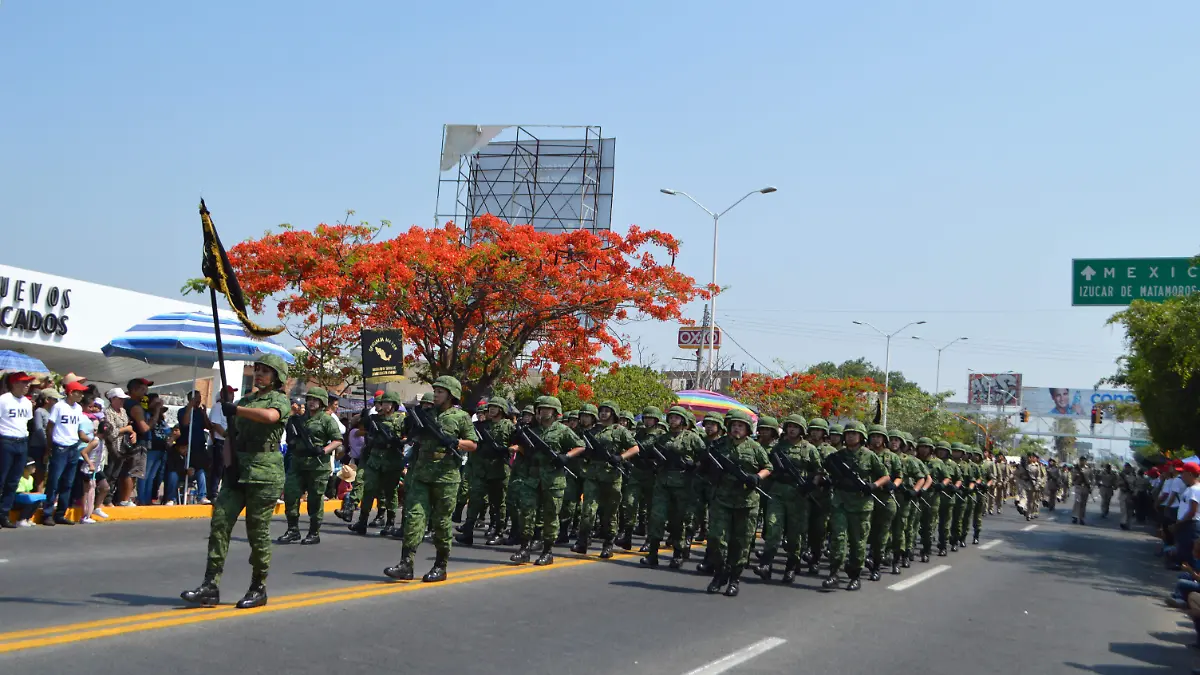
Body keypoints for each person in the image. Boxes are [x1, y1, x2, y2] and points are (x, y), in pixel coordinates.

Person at [181, 354, 291, 610]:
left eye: (265, 371)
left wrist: (236, 409)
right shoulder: (245, 401)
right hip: (238, 471)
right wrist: (229, 466)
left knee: (257, 531)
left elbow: (270, 417)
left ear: (276, 377)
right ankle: (210, 585)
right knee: (220, 523)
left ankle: (258, 587)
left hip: (265, 474)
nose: (259, 374)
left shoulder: (279, 400)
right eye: (257, 370)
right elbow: (231, 436)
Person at [384, 377, 478, 583]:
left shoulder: (461, 417)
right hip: (421, 474)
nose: (435, 395)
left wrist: (455, 441)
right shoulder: (425, 414)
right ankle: (406, 564)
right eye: (435, 391)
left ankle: (440, 566)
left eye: (440, 392)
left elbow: (473, 444)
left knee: (441, 523)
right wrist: (411, 426)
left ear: (451, 395)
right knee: (414, 517)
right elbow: (407, 434)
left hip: (446, 477)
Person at [503, 396, 585, 567]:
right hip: (532, 477)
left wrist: (566, 456)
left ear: (555, 412)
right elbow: (522, 446)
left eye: (548, 409)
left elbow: (581, 445)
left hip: (553, 479)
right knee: (526, 512)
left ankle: (547, 551)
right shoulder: (531, 430)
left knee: (550, 516)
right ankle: (524, 549)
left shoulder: (562, 430)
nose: (544, 411)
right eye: (541, 408)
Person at [702, 409, 770, 597]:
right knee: (716, 539)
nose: (736, 428)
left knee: (741, 543)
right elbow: (705, 466)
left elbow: (767, 467)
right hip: (722, 499)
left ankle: (734, 579)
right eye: (734, 425)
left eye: (740, 426)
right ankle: (719, 574)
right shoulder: (718, 445)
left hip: (746, 502)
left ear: (747, 429)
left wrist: (757, 477)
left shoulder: (755, 448)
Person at [821, 421, 890, 590]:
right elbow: (823, 470)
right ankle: (834, 573)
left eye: (854, 434)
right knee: (838, 538)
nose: (850, 436)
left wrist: (873, 486)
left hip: (861, 504)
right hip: (840, 501)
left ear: (861, 437)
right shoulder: (837, 456)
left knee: (858, 542)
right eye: (848, 434)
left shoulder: (869, 455)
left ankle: (855, 575)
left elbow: (885, 476)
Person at [753, 414, 818, 583]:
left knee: (795, 534)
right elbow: (767, 467)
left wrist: (810, 485)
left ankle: (791, 566)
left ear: (801, 430)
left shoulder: (809, 449)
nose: (792, 430)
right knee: (773, 527)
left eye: (795, 427)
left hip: (798, 495)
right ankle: (766, 564)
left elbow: (819, 471)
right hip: (778, 493)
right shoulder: (778, 448)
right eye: (789, 426)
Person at [640, 406, 705, 569]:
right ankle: (652, 553)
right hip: (663, 482)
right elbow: (649, 453)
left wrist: (694, 465)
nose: (673, 420)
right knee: (656, 517)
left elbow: (705, 457)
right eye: (671, 417)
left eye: (676, 418)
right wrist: (655, 462)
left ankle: (678, 553)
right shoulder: (662, 438)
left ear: (683, 420)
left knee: (678, 520)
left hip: (683, 484)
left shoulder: (692, 438)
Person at [572, 401, 639, 559]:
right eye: (601, 410)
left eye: (607, 411)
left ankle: (608, 544)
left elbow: (635, 448)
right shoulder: (592, 431)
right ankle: (582, 542)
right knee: (588, 510)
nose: (603, 413)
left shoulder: (619, 430)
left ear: (613, 413)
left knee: (610, 513)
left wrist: (620, 457)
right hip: (592, 474)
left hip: (611, 476)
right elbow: (581, 446)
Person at [277, 387, 342, 545]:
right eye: (310, 399)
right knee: (291, 495)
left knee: (315, 499)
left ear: (322, 402)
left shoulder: (326, 420)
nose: (312, 402)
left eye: (315, 400)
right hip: (298, 462)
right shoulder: (299, 419)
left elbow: (337, 440)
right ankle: (293, 530)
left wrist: (323, 450)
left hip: (317, 466)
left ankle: (314, 532)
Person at [457, 398, 514, 547]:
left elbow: (518, 444)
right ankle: (467, 532)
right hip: (481, 469)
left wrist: (507, 449)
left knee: (498, 503)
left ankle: (499, 532)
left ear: (502, 409)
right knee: (475, 499)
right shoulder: (481, 426)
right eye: (491, 407)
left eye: (495, 407)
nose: (492, 409)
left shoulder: (509, 426)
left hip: (499, 470)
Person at [349, 392, 405, 536]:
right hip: (375, 459)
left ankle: (390, 522)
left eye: (388, 403)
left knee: (390, 492)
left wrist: (399, 441)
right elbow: (359, 424)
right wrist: (364, 414)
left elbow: (409, 437)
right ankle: (362, 521)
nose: (385, 405)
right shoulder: (373, 419)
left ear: (394, 405)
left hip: (392, 460)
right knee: (369, 489)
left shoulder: (401, 420)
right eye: (383, 402)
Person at [44, 380, 89, 525]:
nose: (81, 395)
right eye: (79, 392)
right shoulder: (59, 406)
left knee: (68, 482)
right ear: (70, 393)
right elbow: (50, 427)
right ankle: (47, 513)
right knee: (54, 481)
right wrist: (50, 446)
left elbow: (78, 427)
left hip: (73, 447)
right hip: (60, 446)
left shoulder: (78, 408)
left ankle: (61, 513)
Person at [0, 371, 35, 528]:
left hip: (22, 441)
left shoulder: (27, 403)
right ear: (14, 384)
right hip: (6, 440)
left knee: (13, 481)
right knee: (2, 479)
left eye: (28, 382)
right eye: (24, 382)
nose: (27, 385)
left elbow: (27, 422)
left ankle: (4, 514)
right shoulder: (4, 400)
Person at [127, 378, 162, 506]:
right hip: (137, 444)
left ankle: (138, 499)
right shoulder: (135, 406)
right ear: (134, 390)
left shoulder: (139, 405)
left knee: (140, 474)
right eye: (142, 389)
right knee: (135, 473)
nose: (145, 392)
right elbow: (145, 428)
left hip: (141, 443)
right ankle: (132, 499)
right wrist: (156, 411)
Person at [77, 400, 109, 523]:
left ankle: (95, 508)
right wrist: (90, 464)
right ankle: (85, 515)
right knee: (88, 492)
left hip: (97, 468)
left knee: (104, 487)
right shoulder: (95, 441)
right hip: (89, 469)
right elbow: (84, 452)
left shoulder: (101, 441)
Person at [207, 385, 237, 500]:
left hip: (228, 442)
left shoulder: (230, 408)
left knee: (227, 469)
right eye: (230, 393)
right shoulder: (218, 407)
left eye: (233, 393)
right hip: (221, 441)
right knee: (218, 469)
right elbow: (215, 424)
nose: (233, 395)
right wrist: (226, 435)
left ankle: (224, 493)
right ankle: (213, 494)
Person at [28, 390, 55, 491]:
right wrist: (46, 445)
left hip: (49, 445)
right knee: (39, 470)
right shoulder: (39, 411)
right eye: (54, 399)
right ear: (47, 400)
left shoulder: (53, 412)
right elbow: (39, 429)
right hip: (38, 446)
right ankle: (38, 492)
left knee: (45, 470)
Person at [12, 460, 44, 526]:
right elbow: (20, 492)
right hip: (15, 501)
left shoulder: (31, 478)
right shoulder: (20, 478)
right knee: (29, 502)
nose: (34, 467)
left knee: (37, 501)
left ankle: (27, 518)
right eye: (32, 466)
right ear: (25, 468)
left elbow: (28, 492)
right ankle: (21, 520)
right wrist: (34, 494)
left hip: (24, 499)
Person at [1072, 456, 1094, 526]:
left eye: (1084, 460)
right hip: (1078, 487)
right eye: (1081, 460)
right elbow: (1073, 478)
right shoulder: (1076, 468)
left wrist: (1091, 487)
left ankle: (1081, 518)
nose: (1082, 462)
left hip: (1086, 487)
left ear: (1086, 461)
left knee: (1083, 504)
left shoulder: (1089, 469)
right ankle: (1075, 516)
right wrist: (1076, 476)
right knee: (1077, 501)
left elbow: (1092, 479)